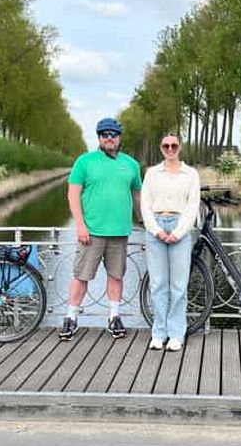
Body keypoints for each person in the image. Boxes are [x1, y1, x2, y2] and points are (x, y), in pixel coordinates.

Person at [59, 117, 142, 341]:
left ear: (119, 137)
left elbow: (137, 196)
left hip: (119, 232)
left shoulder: (131, 165)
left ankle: (114, 317)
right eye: (104, 134)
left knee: (116, 275)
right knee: (81, 276)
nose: (109, 138)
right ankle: (71, 318)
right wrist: (79, 225)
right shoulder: (84, 162)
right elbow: (73, 194)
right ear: (98, 138)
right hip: (91, 232)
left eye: (113, 134)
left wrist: (146, 221)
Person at [140, 133, 200, 352]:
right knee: (157, 284)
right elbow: (145, 205)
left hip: (179, 227)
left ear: (180, 147)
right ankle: (159, 332)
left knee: (178, 285)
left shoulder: (191, 174)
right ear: (161, 147)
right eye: (166, 145)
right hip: (156, 225)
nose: (170, 148)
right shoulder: (152, 173)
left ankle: (176, 333)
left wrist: (178, 232)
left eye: (174, 145)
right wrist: (156, 230)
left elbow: (193, 205)